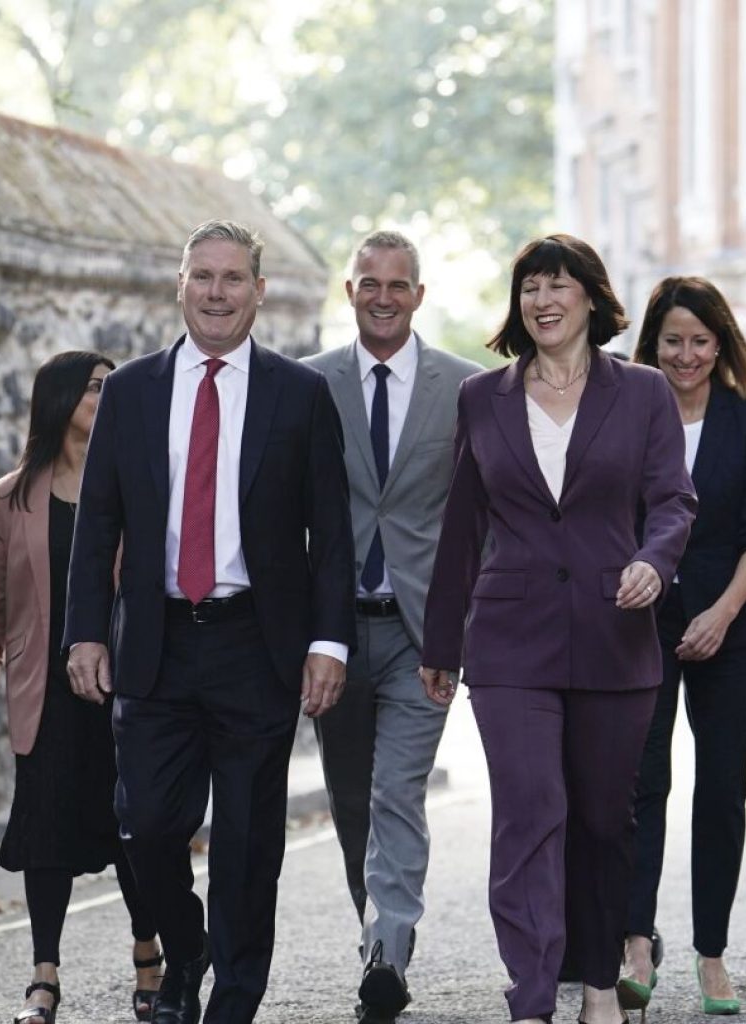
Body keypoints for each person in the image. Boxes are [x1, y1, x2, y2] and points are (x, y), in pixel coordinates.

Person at [63, 220, 356, 1024]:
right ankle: (185, 950)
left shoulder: (299, 394)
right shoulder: (132, 391)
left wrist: (328, 641)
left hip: (255, 643)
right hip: (154, 643)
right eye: (203, 277)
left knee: (248, 844)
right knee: (149, 827)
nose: (217, 292)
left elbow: (330, 534)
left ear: (259, 291)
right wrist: (86, 631)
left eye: (234, 278)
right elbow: (98, 524)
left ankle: (232, 998)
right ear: (181, 285)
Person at [419, 234, 697, 1024]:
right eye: (530, 288)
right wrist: (442, 645)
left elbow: (674, 499)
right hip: (510, 642)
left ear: (589, 298)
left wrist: (656, 561)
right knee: (529, 810)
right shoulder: (483, 397)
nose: (542, 301)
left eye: (558, 286)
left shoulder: (642, 393)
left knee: (605, 821)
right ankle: (533, 995)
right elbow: (462, 527)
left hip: (616, 634)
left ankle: (600, 982)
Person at [0, 351, 164, 1024]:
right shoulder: (13, 497)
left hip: (130, 691)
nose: (109, 394)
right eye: (98, 386)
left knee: (139, 833)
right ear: (62, 399)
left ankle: (147, 954)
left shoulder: (140, 483)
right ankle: (44, 978)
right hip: (48, 696)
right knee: (49, 840)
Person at [304, 230, 481, 1023]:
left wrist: (464, 623)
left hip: (421, 632)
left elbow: (480, 516)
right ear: (349, 293)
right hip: (334, 635)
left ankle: (390, 947)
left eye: (397, 285)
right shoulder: (311, 387)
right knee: (350, 801)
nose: (383, 297)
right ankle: (373, 928)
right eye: (368, 284)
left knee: (396, 792)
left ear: (418, 294)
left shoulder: (467, 389)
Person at [621, 277, 746, 1016]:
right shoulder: (625, 414)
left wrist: (720, 613)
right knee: (640, 785)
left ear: (721, 345)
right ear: (652, 344)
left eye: (700, 342)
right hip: (641, 622)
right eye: (672, 341)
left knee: (723, 788)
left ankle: (711, 955)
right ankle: (636, 944)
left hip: (729, 622)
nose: (685, 356)